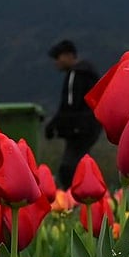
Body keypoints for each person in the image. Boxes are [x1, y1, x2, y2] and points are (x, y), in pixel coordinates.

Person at [44, 40, 103, 188]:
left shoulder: (75, 74)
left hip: (78, 129)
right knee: (81, 164)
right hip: (92, 126)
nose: (56, 62)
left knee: (68, 168)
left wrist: (53, 125)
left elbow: (69, 105)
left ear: (69, 56)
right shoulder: (89, 73)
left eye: (58, 57)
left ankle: (73, 199)